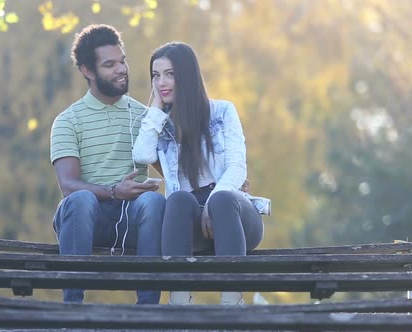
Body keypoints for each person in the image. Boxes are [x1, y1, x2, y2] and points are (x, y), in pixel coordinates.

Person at [133, 42, 271, 305]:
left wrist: (213, 200)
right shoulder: (162, 125)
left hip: (235, 218)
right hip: (191, 224)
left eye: (170, 74)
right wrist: (155, 108)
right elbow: (142, 155)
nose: (162, 82)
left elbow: (237, 167)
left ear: (187, 75)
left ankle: (232, 301)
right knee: (177, 200)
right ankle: (180, 301)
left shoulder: (223, 111)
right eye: (156, 75)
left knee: (221, 201)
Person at [50, 24, 166, 304]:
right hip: (88, 220)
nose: (122, 69)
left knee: (154, 202)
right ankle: (72, 308)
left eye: (123, 60)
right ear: (88, 71)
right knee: (79, 200)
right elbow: (68, 185)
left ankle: (149, 310)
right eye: (110, 64)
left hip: (135, 219)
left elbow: (174, 171)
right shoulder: (68, 121)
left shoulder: (144, 116)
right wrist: (115, 191)